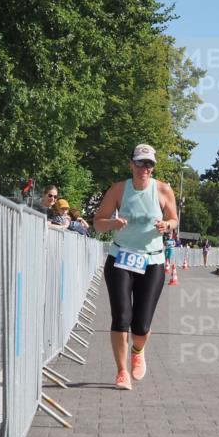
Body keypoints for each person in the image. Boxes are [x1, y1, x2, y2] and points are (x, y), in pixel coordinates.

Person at [93, 143, 178, 390]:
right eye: (140, 163)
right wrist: (113, 222)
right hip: (121, 258)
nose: (144, 169)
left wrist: (167, 226)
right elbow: (98, 223)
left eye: (149, 164)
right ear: (131, 164)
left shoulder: (163, 190)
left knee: (141, 323)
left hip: (152, 260)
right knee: (121, 317)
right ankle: (121, 371)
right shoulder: (119, 189)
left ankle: (138, 351)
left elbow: (174, 219)